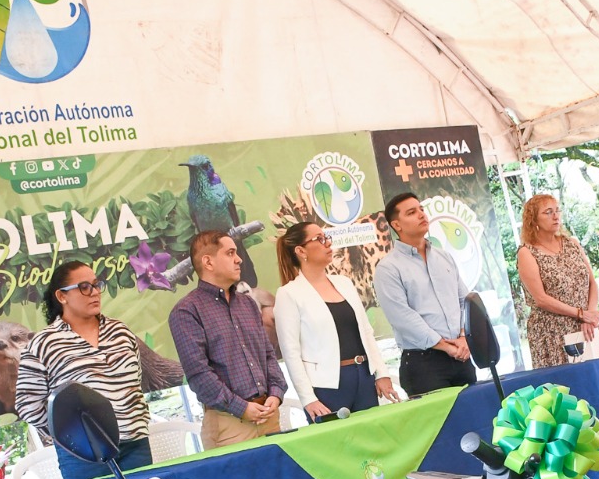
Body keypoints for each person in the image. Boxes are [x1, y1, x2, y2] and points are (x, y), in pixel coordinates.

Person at [14, 261, 152, 479]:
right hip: (83, 457)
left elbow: (135, 382)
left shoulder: (120, 331)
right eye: (84, 287)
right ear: (62, 296)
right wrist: (71, 434)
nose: (95, 292)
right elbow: (28, 404)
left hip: (135, 446)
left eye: (96, 285)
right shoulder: (44, 343)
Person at [170, 230, 287, 450]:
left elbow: (268, 355)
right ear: (208, 262)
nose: (239, 259)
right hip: (228, 425)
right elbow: (199, 375)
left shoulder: (248, 304)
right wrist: (241, 408)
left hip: (269, 416)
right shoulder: (187, 311)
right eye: (230, 253)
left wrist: (276, 393)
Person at [274, 221, 398, 420]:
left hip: (364, 376)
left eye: (327, 237)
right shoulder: (289, 293)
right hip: (326, 387)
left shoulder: (344, 283)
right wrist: (307, 398)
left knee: (374, 434)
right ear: (300, 251)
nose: (328, 243)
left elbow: (366, 332)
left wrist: (382, 373)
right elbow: (291, 352)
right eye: (319, 239)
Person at [374, 192, 475, 396]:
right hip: (424, 363)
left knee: (474, 413)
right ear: (397, 225)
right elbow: (403, 318)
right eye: (411, 212)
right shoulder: (388, 268)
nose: (421, 214)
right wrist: (445, 346)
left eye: (421, 209)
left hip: (461, 356)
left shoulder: (444, 257)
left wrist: (464, 337)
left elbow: (465, 301)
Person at [517, 194, 599, 368]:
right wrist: (580, 314)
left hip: (586, 326)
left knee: (596, 378)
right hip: (553, 332)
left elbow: (592, 283)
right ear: (533, 219)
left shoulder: (572, 243)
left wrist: (589, 315)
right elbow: (541, 299)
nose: (556, 216)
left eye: (557, 210)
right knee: (564, 383)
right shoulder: (527, 252)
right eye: (548, 212)